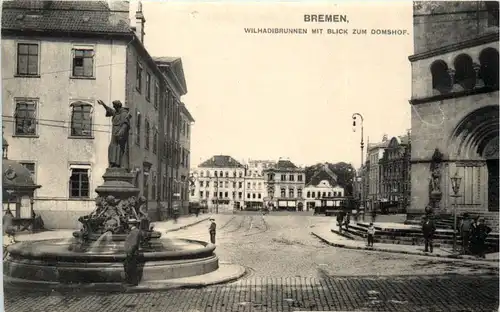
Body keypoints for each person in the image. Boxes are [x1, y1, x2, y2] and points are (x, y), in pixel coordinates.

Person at [123, 219, 142, 286]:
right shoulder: (133, 231)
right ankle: (130, 281)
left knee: (131, 268)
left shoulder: (135, 231)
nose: (128, 225)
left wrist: (130, 252)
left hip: (132, 253)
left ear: (132, 224)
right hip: (131, 252)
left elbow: (134, 243)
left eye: (129, 224)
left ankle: (133, 282)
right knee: (128, 266)